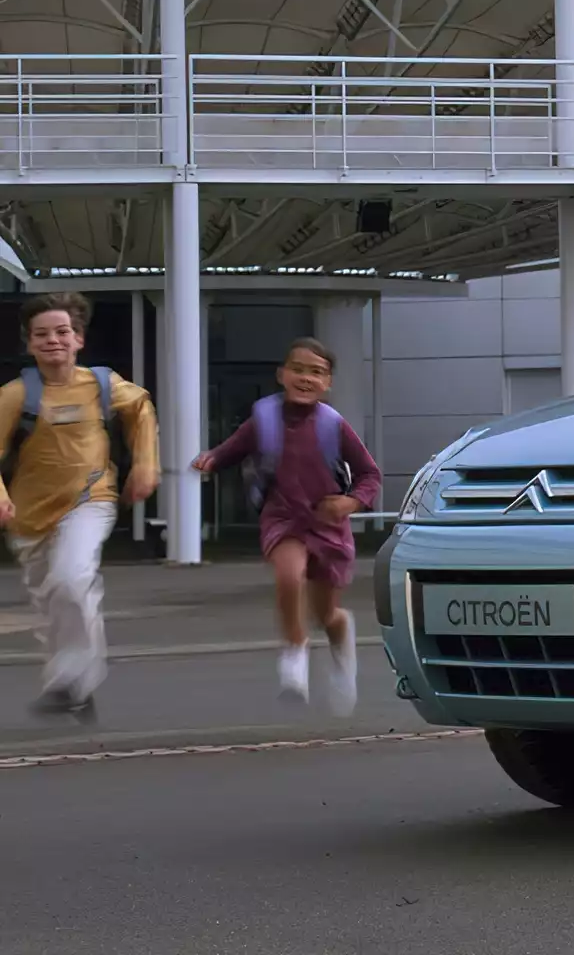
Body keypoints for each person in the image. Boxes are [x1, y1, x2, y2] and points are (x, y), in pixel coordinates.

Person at [193, 337, 380, 713]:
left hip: (327, 523)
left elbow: (369, 474)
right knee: (289, 577)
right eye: (298, 369)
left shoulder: (333, 425)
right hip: (283, 518)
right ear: (282, 374)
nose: (306, 378)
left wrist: (349, 502)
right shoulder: (263, 419)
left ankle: (341, 645)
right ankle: (295, 656)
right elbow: (233, 448)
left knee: (326, 614)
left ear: (328, 383)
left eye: (317, 372)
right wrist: (211, 459)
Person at [0, 293, 160, 719]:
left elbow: (141, 408)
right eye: (42, 334)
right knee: (55, 605)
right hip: (29, 515)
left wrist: (145, 464)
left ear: (79, 339)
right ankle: (76, 687)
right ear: (30, 344)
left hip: (90, 498)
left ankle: (70, 679)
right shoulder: (15, 395)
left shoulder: (103, 385)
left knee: (72, 580)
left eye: (62, 332)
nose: (53, 340)